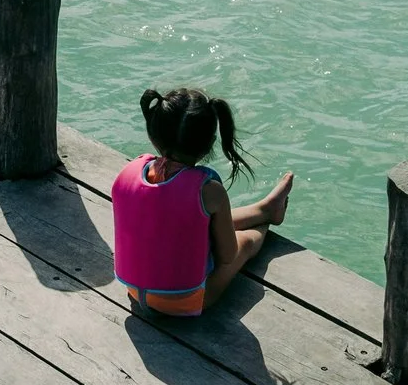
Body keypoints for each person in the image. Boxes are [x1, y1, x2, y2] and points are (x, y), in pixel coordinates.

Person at [111, 87, 295, 317]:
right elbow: (227, 256)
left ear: (153, 134)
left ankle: (265, 208)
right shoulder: (208, 192)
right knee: (245, 242)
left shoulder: (129, 172)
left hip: (135, 292)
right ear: (210, 143)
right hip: (185, 301)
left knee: (199, 219)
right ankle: (266, 218)